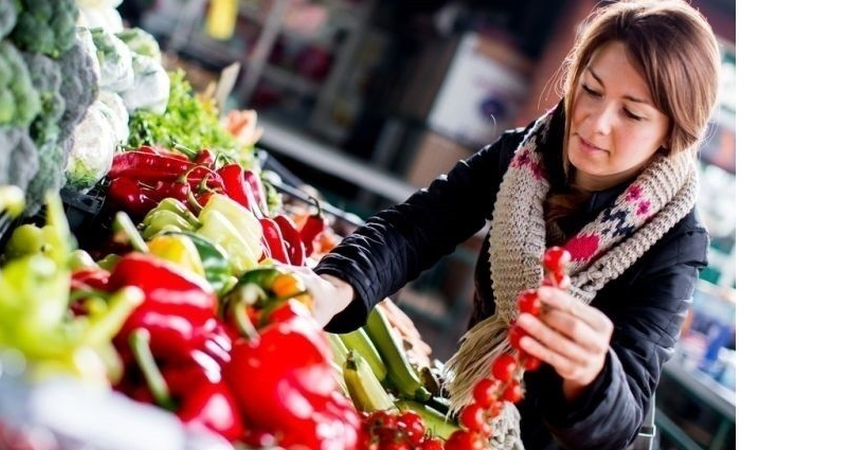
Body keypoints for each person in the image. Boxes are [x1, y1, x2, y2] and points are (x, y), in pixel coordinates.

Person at [300, 0, 721, 448]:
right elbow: (416, 227)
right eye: (591, 89)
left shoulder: (676, 241)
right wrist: (335, 286)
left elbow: (621, 423)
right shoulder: (526, 155)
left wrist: (592, 374)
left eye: (632, 113)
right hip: (467, 420)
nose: (595, 123)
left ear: (673, 135)